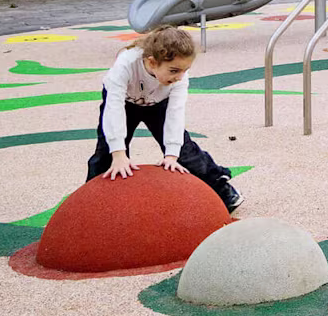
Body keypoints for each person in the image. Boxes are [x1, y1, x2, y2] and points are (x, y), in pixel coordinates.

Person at [87, 26, 241, 212]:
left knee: (186, 154)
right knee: (105, 155)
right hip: (124, 104)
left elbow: (176, 113)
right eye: (174, 70)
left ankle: (224, 191)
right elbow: (114, 108)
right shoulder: (126, 64)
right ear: (152, 62)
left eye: (185, 70)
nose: (180, 76)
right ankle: (90, 204)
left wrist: (171, 155)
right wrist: (119, 154)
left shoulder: (179, 78)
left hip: (159, 104)